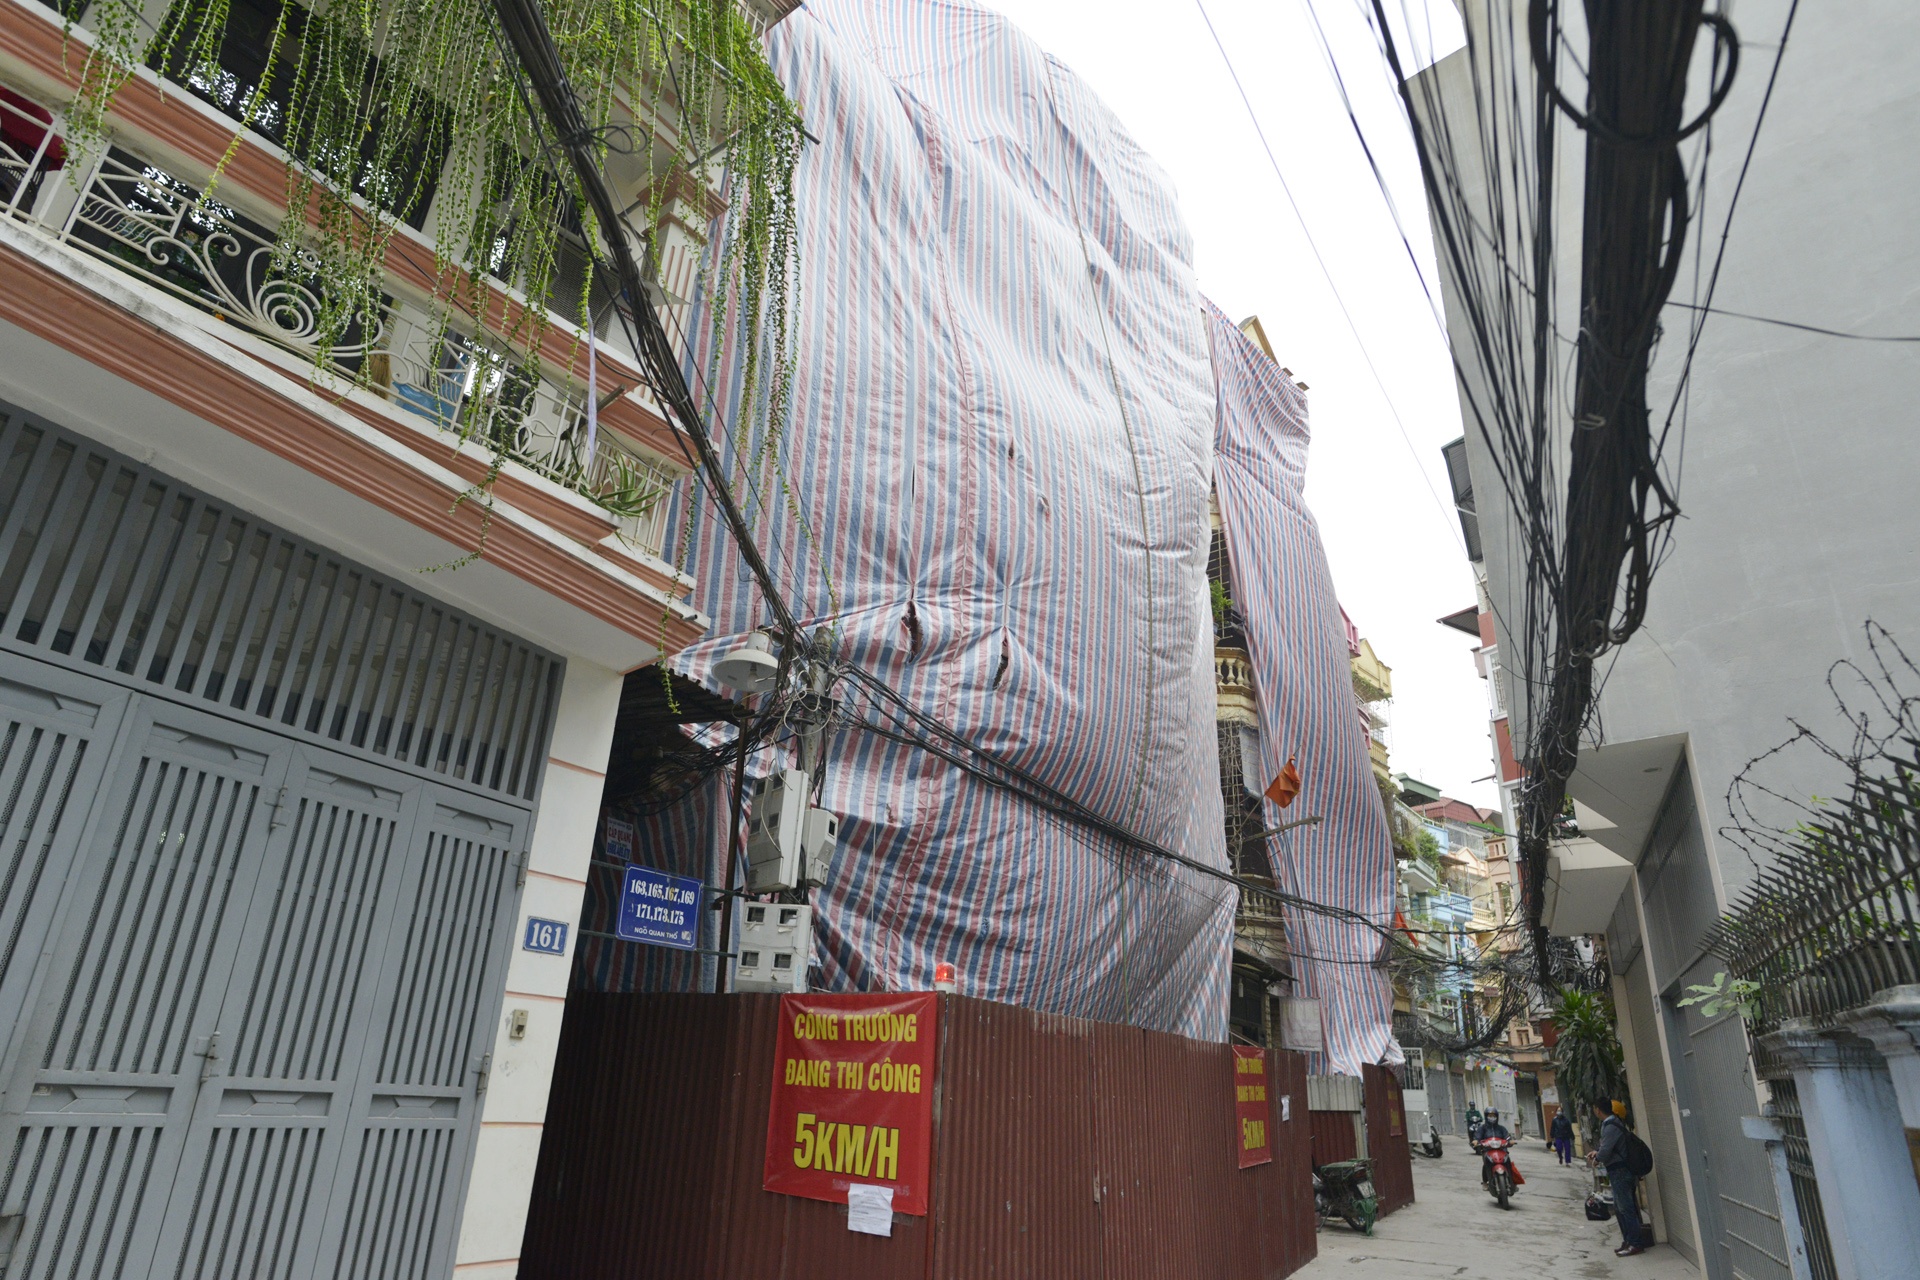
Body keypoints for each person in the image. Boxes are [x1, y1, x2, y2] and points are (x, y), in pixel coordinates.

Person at [1590, 1098, 1652, 1257]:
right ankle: (1628, 1241)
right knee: (1619, 1207)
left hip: (1621, 1172)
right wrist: (1598, 1153)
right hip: (1618, 1171)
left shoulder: (1611, 1126)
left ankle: (1636, 1243)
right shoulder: (1612, 1124)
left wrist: (1597, 1159)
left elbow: (1606, 1152)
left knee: (1625, 1208)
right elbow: (1608, 1148)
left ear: (1598, 1110)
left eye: (1594, 1108)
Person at [1474, 1108, 1510, 1185]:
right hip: (1487, 1150)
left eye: (1494, 1116)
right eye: (1490, 1115)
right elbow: (1477, 1137)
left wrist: (1510, 1141)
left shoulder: (1501, 1128)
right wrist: (1476, 1141)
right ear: (1486, 1116)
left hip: (1501, 1149)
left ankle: (1512, 1180)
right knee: (1486, 1164)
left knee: (1508, 1161)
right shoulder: (1482, 1128)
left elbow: (1507, 1136)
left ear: (1497, 1117)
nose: (1492, 1117)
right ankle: (1485, 1182)